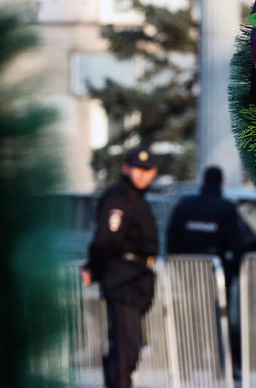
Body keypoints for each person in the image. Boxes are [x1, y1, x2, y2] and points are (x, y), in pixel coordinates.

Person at [83, 149, 160, 388]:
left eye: (147, 170)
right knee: (126, 351)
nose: (142, 175)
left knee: (128, 348)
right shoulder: (119, 196)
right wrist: (94, 268)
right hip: (122, 277)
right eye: (137, 169)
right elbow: (106, 239)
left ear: (154, 173)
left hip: (137, 279)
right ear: (126, 169)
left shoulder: (138, 198)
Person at [165, 166, 246, 286]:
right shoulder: (226, 208)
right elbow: (236, 242)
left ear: (203, 181)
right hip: (217, 270)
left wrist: (176, 265)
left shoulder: (185, 205)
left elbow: (172, 238)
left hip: (187, 267)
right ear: (221, 183)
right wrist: (234, 270)